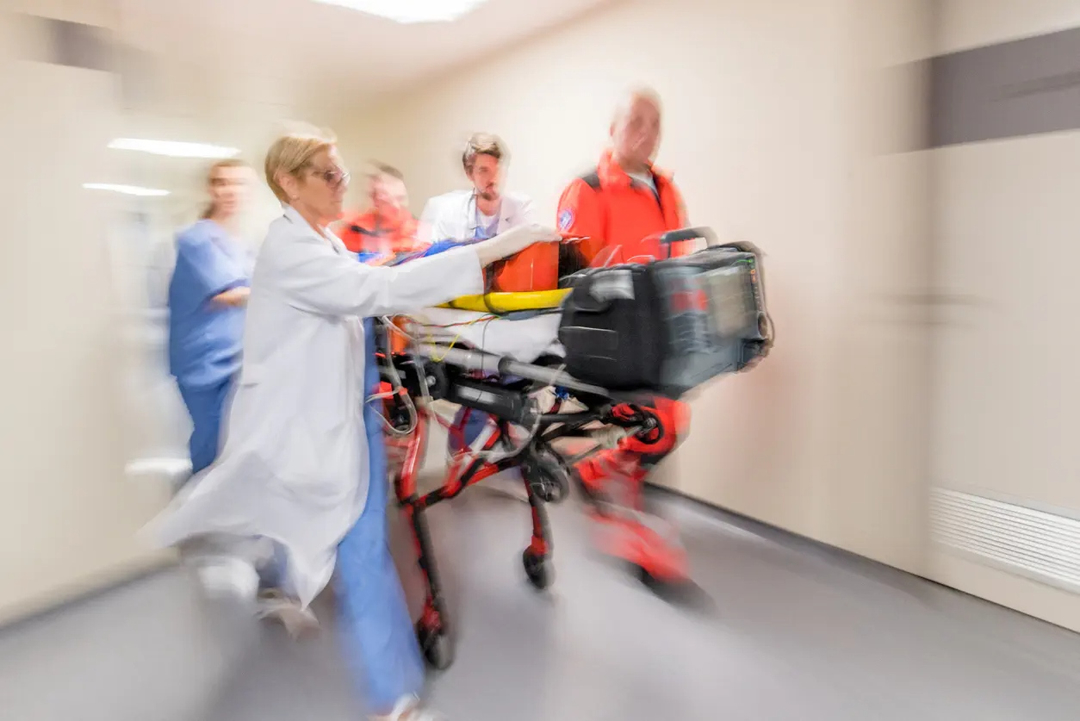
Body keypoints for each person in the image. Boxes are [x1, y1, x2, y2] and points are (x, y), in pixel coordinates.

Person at [150, 127, 560, 721]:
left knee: (336, 533)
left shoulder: (319, 242)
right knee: (355, 544)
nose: (342, 182)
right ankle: (391, 697)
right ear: (289, 183)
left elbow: (375, 265)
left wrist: (440, 252)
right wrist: (496, 250)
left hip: (346, 412)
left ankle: (364, 665)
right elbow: (378, 289)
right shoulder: (289, 250)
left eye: (341, 171)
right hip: (314, 423)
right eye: (329, 173)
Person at [555, 87, 697, 597]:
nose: (646, 132)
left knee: (668, 428)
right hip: (616, 339)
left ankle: (598, 468)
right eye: (635, 121)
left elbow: (679, 260)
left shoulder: (666, 190)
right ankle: (644, 549)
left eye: (655, 123)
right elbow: (573, 279)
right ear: (612, 128)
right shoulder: (588, 189)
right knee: (653, 425)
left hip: (661, 334)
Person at [167, 158, 254, 478]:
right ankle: (194, 514)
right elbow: (228, 295)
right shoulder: (197, 238)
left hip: (233, 356)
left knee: (230, 439)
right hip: (204, 362)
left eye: (238, 183)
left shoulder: (242, 243)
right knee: (211, 441)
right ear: (211, 189)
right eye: (222, 182)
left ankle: (215, 509)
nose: (230, 191)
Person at [420, 132, 557, 292]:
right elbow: (437, 267)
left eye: (497, 169)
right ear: (469, 174)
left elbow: (534, 261)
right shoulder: (449, 214)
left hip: (509, 295)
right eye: (484, 170)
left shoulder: (523, 208)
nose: (494, 178)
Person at [336, 162, 425, 262]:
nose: (396, 206)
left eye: (400, 198)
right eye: (387, 201)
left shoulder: (418, 230)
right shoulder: (352, 231)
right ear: (375, 201)